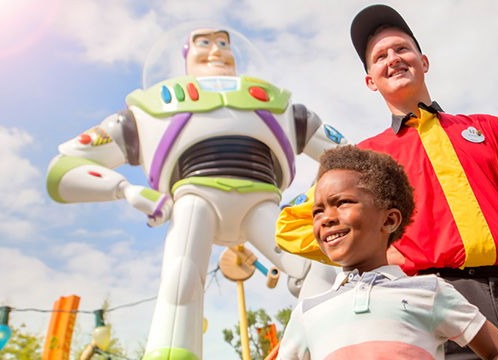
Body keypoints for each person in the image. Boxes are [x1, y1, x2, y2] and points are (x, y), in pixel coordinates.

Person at [276, 4, 498, 358]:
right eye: (380, 56)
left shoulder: (485, 129)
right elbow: (291, 225)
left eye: (402, 49)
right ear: (371, 80)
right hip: (439, 307)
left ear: (423, 61)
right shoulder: (365, 161)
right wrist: (379, 248)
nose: (393, 58)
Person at [46, 27, 345, 360]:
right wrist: (125, 190)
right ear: (186, 54)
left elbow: (354, 158)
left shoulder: (282, 106)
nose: (216, 51)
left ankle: (324, 347)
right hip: (194, 197)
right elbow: (63, 169)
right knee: (182, 279)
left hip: (263, 202)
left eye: (223, 44)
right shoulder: (152, 106)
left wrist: (317, 200)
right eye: (204, 43)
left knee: (321, 273)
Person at [276, 145, 498, 360]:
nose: (327, 218)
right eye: (318, 211)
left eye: (342, 203)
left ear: (389, 220)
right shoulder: (307, 312)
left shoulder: (430, 292)